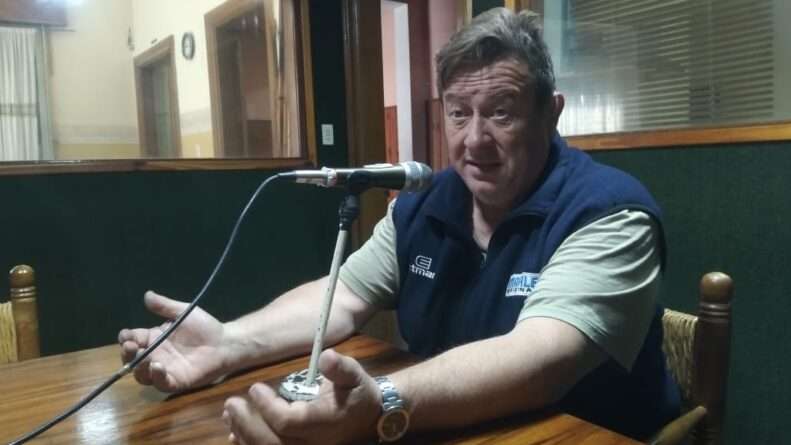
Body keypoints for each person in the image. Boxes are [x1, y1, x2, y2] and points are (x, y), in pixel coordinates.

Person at [119, 8, 679, 445]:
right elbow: (342, 297)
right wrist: (229, 344)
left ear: (550, 113)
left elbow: (540, 359)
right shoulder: (425, 204)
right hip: (458, 428)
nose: (474, 140)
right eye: (458, 112)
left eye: (501, 112)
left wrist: (380, 401)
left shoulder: (611, 214)